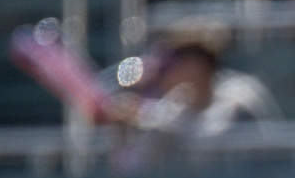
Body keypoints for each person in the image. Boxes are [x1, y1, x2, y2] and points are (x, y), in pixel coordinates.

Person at [119, 25, 281, 137]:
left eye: (173, 62)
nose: (165, 71)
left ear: (196, 65)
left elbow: (218, 136)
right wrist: (135, 122)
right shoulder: (177, 103)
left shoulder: (241, 96)